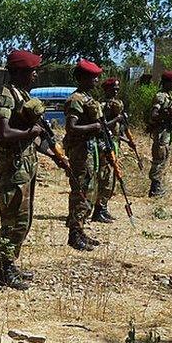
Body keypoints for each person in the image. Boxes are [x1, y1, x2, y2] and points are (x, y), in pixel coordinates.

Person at [0, 50, 47, 289]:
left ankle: (11, 264)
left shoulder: (22, 95)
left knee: (24, 219)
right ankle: (4, 271)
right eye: (31, 71)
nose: (35, 75)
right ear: (19, 72)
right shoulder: (6, 98)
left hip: (26, 165)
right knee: (12, 220)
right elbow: (2, 133)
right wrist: (30, 133)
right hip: (13, 168)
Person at [63, 59, 105, 250]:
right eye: (92, 77)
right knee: (80, 191)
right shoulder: (76, 100)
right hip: (80, 152)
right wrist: (94, 127)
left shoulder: (88, 98)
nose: (96, 80)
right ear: (82, 78)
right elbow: (71, 127)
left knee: (89, 191)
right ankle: (74, 233)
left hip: (90, 149)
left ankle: (80, 230)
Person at [94, 77, 124, 223]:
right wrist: (116, 119)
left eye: (118, 88)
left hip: (114, 142)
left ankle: (103, 207)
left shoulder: (116, 104)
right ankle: (98, 210)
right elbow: (102, 126)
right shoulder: (103, 105)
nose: (116, 90)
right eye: (114, 88)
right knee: (104, 177)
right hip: (105, 144)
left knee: (111, 178)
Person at [147, 70, 172, 196]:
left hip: (167, 132)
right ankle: (155, 188)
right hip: (161, 132)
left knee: (164, 157)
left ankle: (158, 185)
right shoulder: (161, 96)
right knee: (159, 158)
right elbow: (154, 114)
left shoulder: (169, 96)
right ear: (167, 83)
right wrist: (165, 114)